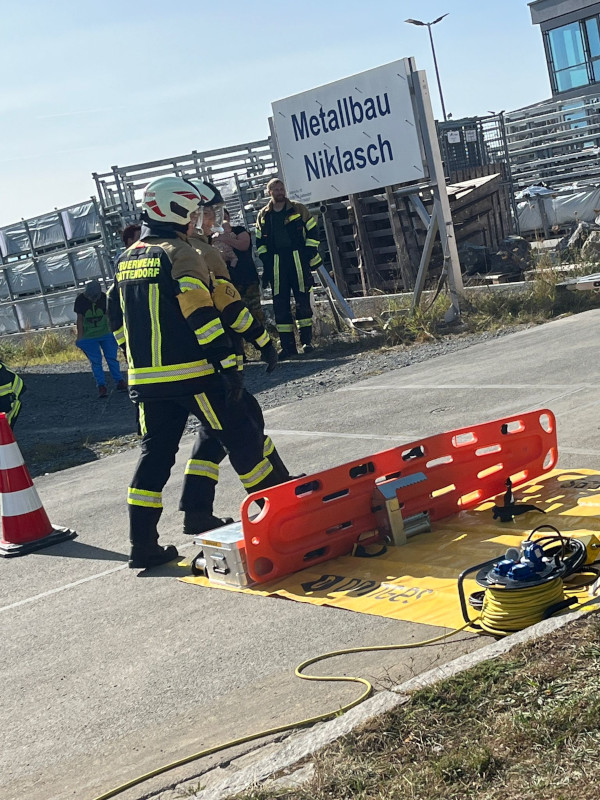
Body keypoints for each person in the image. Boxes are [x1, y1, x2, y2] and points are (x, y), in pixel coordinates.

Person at [107, 176, 289, 570]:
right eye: (191, 213)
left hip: (146, 382)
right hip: (193, 373)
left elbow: (116, 319)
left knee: (154, 458)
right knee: (243, 438)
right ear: (174, 211)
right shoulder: (181, 253)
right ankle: (281, 519)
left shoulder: (125, 259)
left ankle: (142, 545)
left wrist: (134, 357)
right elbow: (201, 313)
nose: (195, 220)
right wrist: (227, 363)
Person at [255, 178, 322, 358]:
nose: (280, 192)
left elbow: (313, 231)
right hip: (277, 262)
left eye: (281, 188)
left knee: (302, 300)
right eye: (275, 189)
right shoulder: (263, 215)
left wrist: (308, 251)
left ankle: (307, 342)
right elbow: (259, 241)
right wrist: (266, 261)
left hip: (297, 258)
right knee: (280, 305)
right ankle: (288, 347)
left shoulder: (299, 209)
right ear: (269, 192)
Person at [212, 209, 264, 327]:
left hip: (247, 277)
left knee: (255, 311)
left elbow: (243, 245)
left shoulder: (239, 230)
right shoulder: (212, 236)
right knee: (236, 314)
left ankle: (260, 333)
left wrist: (224, 239)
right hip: (228, 281)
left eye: (225, 216)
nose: (223, 218)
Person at [74, 280, 126, 398]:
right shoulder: (80, 300)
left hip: (106, 334)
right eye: (90, 297)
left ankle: (119, 381)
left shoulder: (104, 298)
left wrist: (113, 331)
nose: (93, 299)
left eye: (95, 297)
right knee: (96, 362)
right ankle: (101, 385)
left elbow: (109, 315)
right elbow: (80, 319)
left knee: (111, 358)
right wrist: (80, 337)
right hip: (89, 336)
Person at [0, 362, 25, 428]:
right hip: (6, 400)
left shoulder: (2, 376)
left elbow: (5, 406)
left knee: (3, 430)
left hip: (9, 404)